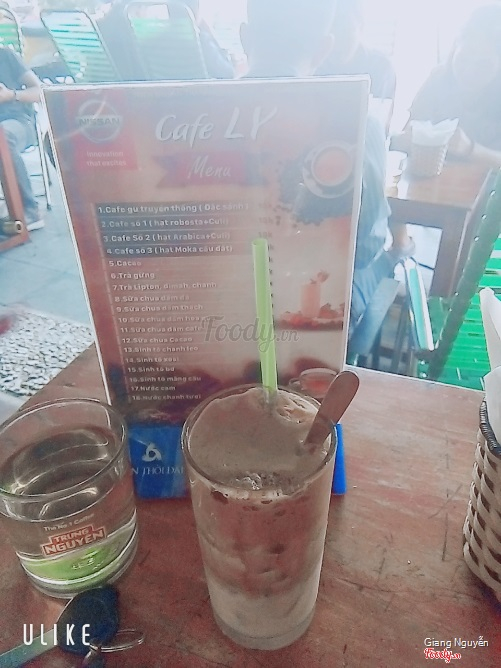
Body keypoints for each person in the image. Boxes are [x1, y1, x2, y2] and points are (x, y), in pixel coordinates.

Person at [241, 0, 400, 335]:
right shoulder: (358, 120)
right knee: (388, 253)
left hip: (226, 303)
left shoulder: (187, 117)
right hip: (317, 315)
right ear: (325, 47)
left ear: (244, 37)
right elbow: (364, 247)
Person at [395, 3, 501, 167]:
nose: (469, 71)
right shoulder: (438, 79)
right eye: (464, 58)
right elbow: (403, 137)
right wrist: (406, 140)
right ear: (455, 47)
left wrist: (470, 149)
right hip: (434, 179)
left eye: (483, 65)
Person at [315, 0, 396, 102]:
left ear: (361, 26)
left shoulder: (380, 67)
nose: (337, 41)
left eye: (345, 30)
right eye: (331, 31)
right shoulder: (314, 66)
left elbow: (380, 110)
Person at [0, 46, 43, 231]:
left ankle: (28, 210)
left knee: (3, 137)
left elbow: (40, 92)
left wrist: (11, 95)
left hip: (17, 122)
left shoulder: (5, 55)